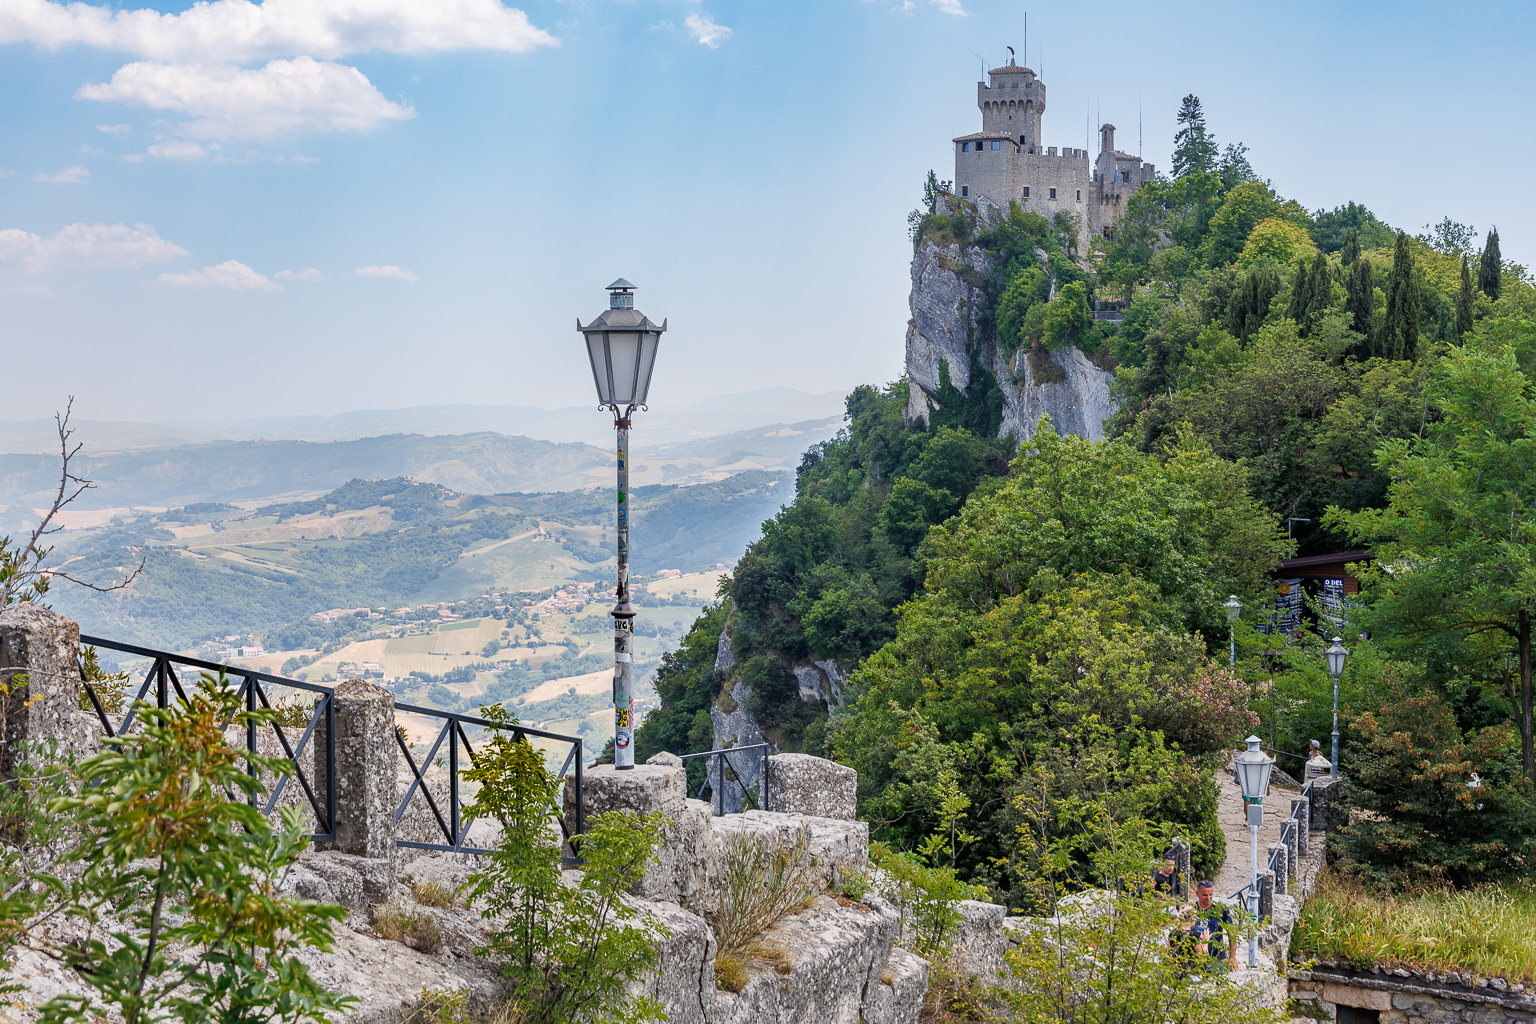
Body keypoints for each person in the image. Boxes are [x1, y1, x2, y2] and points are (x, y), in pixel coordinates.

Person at [1189, 880, 1234, 962]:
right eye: (1205, 895)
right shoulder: (1191, 910)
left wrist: (1232, 957)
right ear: (1197, 894)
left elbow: (1232, 933)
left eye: (1211, 895)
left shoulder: (1221, 909)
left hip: (1217, 957)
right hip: (1196, 957)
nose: (1208, 898)